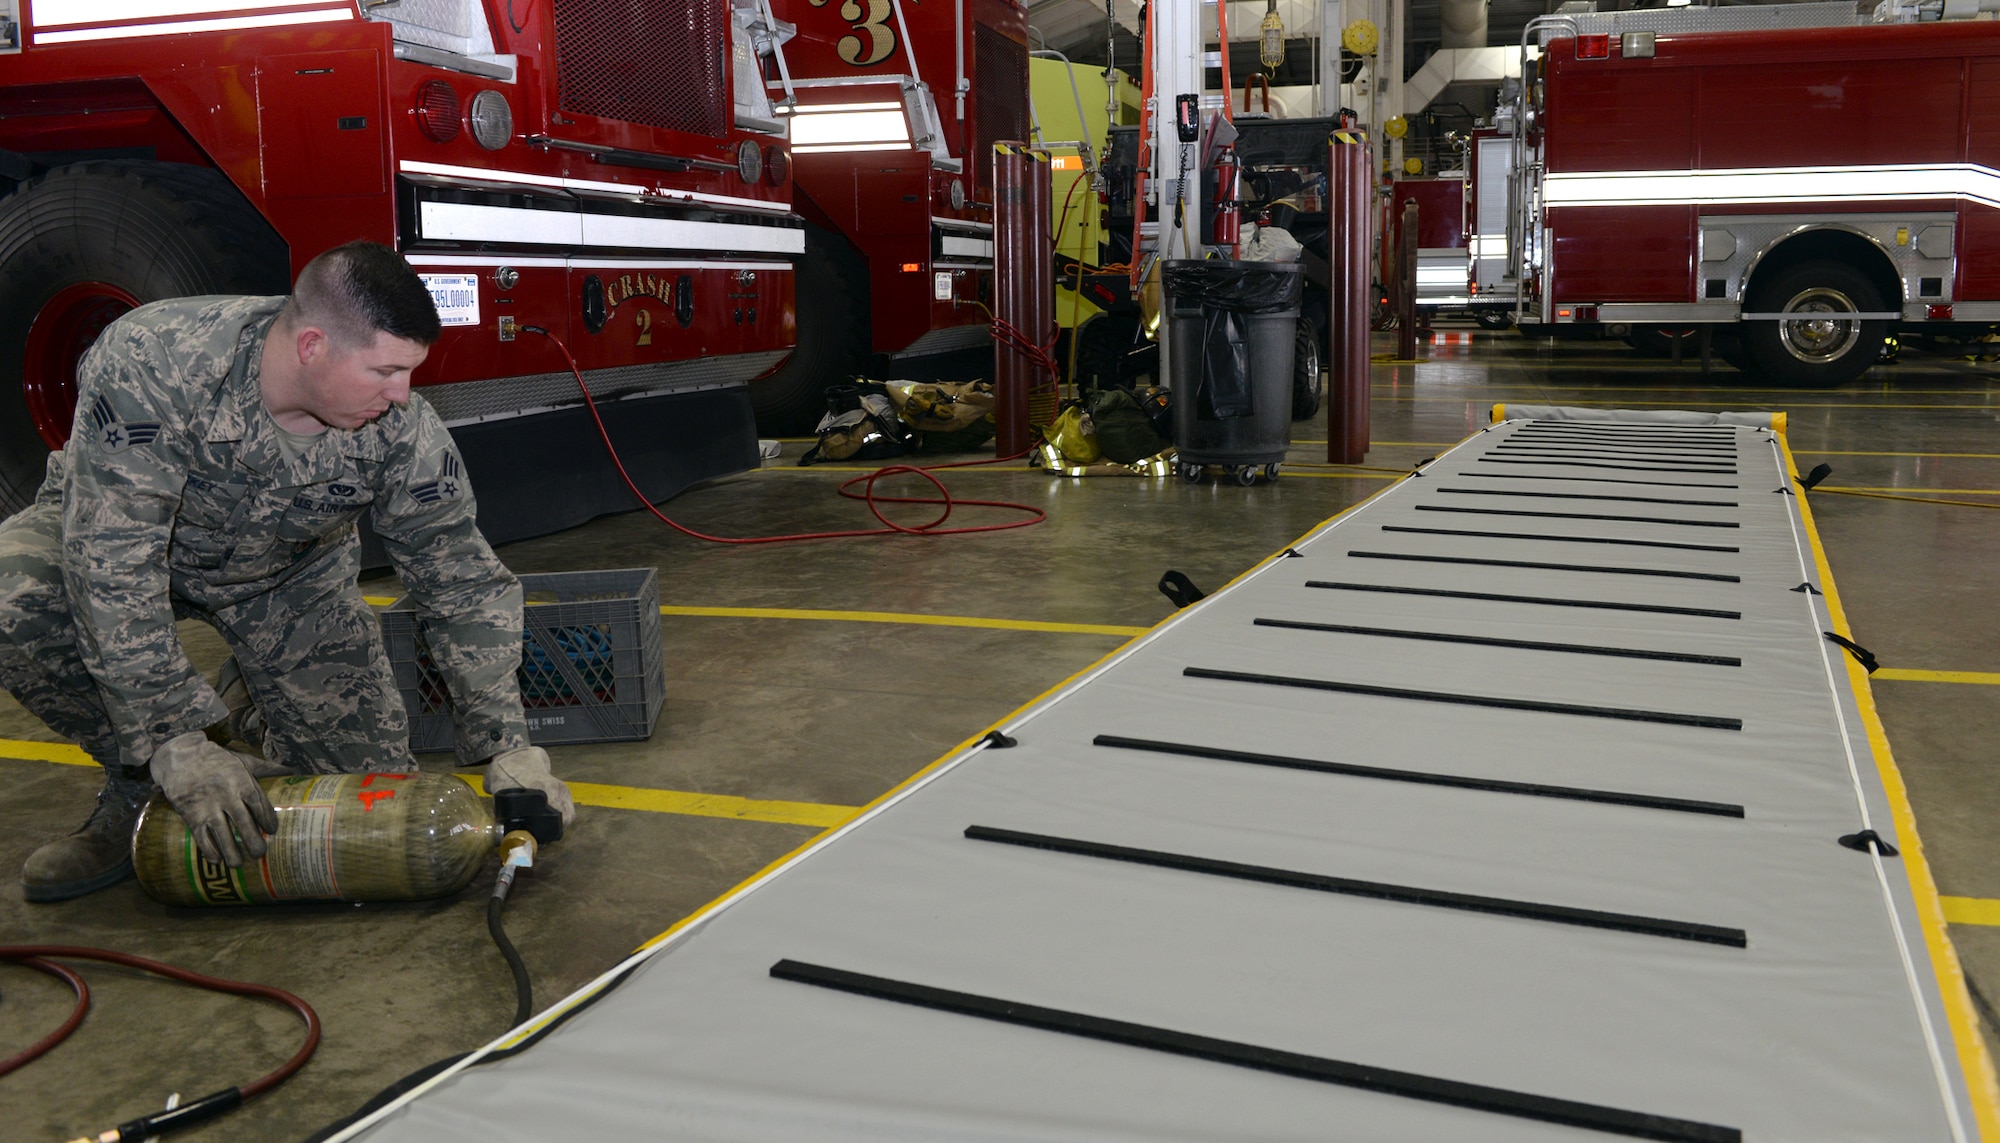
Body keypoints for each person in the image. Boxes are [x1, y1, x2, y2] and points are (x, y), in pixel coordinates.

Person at [1, 240, 573, 902]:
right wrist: (172, 740)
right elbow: (114, 564)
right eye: (386, 370)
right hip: (122, 547)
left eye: (409, 372)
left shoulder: (400, 427)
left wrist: (508, 744)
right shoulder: (156, 361)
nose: (402, 394)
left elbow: (459, 577)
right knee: (13, 598)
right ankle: (139, 785)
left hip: (287, 581)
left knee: (371, 800)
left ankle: (242, 712)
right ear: (311, 347)